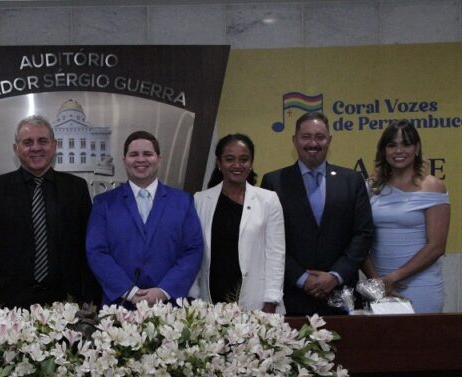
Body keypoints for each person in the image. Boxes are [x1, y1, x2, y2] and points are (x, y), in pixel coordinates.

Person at [0, 115, 98, 308]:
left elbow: (87, 248)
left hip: (68, 304)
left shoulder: (76, 188)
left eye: (43, 141)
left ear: (54, 146)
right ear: (16, 149)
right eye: (28, 142)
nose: (36, 148)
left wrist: (89, 300)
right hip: (10, 306)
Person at [261, 112, 373, 316]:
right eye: (306, 137)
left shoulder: (352, 180)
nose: (313, 143)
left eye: (320, 137)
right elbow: (269, 239)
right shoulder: (274, 182)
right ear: (294, 140)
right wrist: (302, 278)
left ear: (329, 140)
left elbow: (363, 234)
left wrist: (335, 276)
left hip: (342, 296)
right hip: (292, 296)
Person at [86, 130, 203, 306]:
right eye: (134, 154)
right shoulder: (104, 204)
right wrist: (129, 291)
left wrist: (164, 291)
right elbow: (96, 251)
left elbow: (192, 250)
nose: (141, 159)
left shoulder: (183, 202)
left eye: (147, 154)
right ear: (124, 160)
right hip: (119, 308)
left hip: (169, 308)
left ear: (159, 159)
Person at [190, 134, 285, 313]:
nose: (237, 165)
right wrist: (193, 295)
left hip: (256, 302)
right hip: (209, 300)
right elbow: (194, 252)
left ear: (251, 163)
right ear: (219, 163)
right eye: (229, 159)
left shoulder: (268, 200)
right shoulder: (200, 200)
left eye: (244, 159)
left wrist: (271, 300)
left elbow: (276, 254)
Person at [363, 120, 450, 313]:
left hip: (421, 286)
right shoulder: (370, 188)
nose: (398, 150)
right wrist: (378, 281)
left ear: (417, 148)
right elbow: (358, 240)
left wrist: (393, 278)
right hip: (379, 288)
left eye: (406, 144)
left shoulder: (433, 186)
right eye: (391, 145)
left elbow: (436, 247)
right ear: (383, 150)